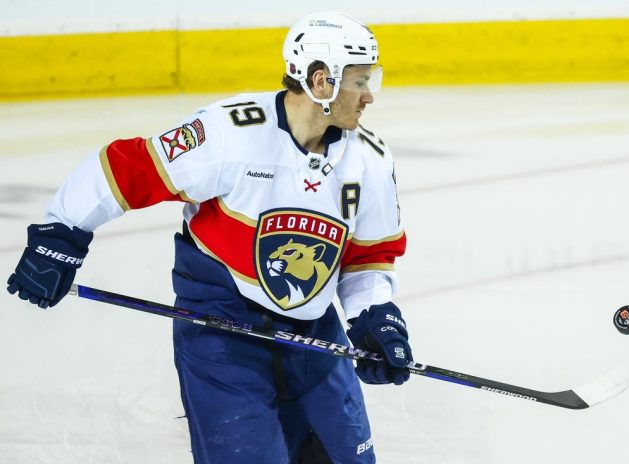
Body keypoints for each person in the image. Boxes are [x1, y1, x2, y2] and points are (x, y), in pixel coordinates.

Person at [7, 11, 413, 464]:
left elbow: (369, 256)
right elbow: (128, 169)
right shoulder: (230, 134)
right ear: (322, 81)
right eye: (360, 81)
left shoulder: (370, 159)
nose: (369, 95)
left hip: (313, 339)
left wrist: (374, 316)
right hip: (223, 332)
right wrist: (61, 232)